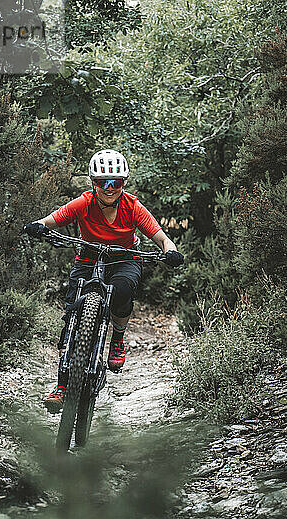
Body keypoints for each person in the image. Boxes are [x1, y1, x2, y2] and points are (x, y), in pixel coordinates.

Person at [24, 149, 184, 412]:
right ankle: (62, 386)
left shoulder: (133, 207)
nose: (109, 188)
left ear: (124, 183)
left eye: (116, 183)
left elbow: (161, 237)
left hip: (125, 258)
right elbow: (53, 219)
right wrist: (38, 225)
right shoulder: (83, 203)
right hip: (88, 257)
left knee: (122, 290)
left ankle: (117, 338)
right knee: (72, 313)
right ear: (92, 182)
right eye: (102, 182)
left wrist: (170, 251)